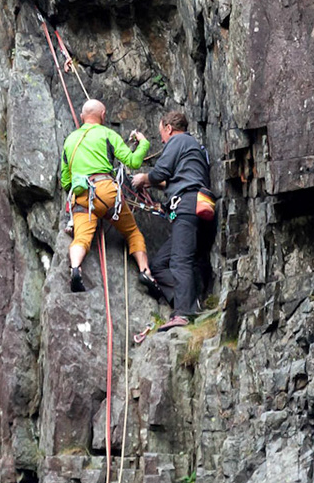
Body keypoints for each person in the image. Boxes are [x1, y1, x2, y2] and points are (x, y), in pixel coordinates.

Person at [133, 109, 215, 336]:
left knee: (180, 261)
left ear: (169, 128)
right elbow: (179, 178)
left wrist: (144, 179)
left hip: (186, 207)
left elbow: (161, 171)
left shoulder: (178, 140)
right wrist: (156, 184)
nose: (162, 139)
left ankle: (183, 313)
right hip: (198, 205)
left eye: (162, 134)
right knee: (159, 264)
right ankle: (190, 300)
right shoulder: (194, 147)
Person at [57, 99, 151, 291]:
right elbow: (133, 162)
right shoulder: (108, 134)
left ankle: (75, 268)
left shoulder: (70, 140)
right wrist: (143, 143)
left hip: (81, 194)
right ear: (103, 115)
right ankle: (145, 271)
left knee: (81, 238)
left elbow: (65, 180)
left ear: (82, 117)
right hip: (106, 191)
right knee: (132, 231)